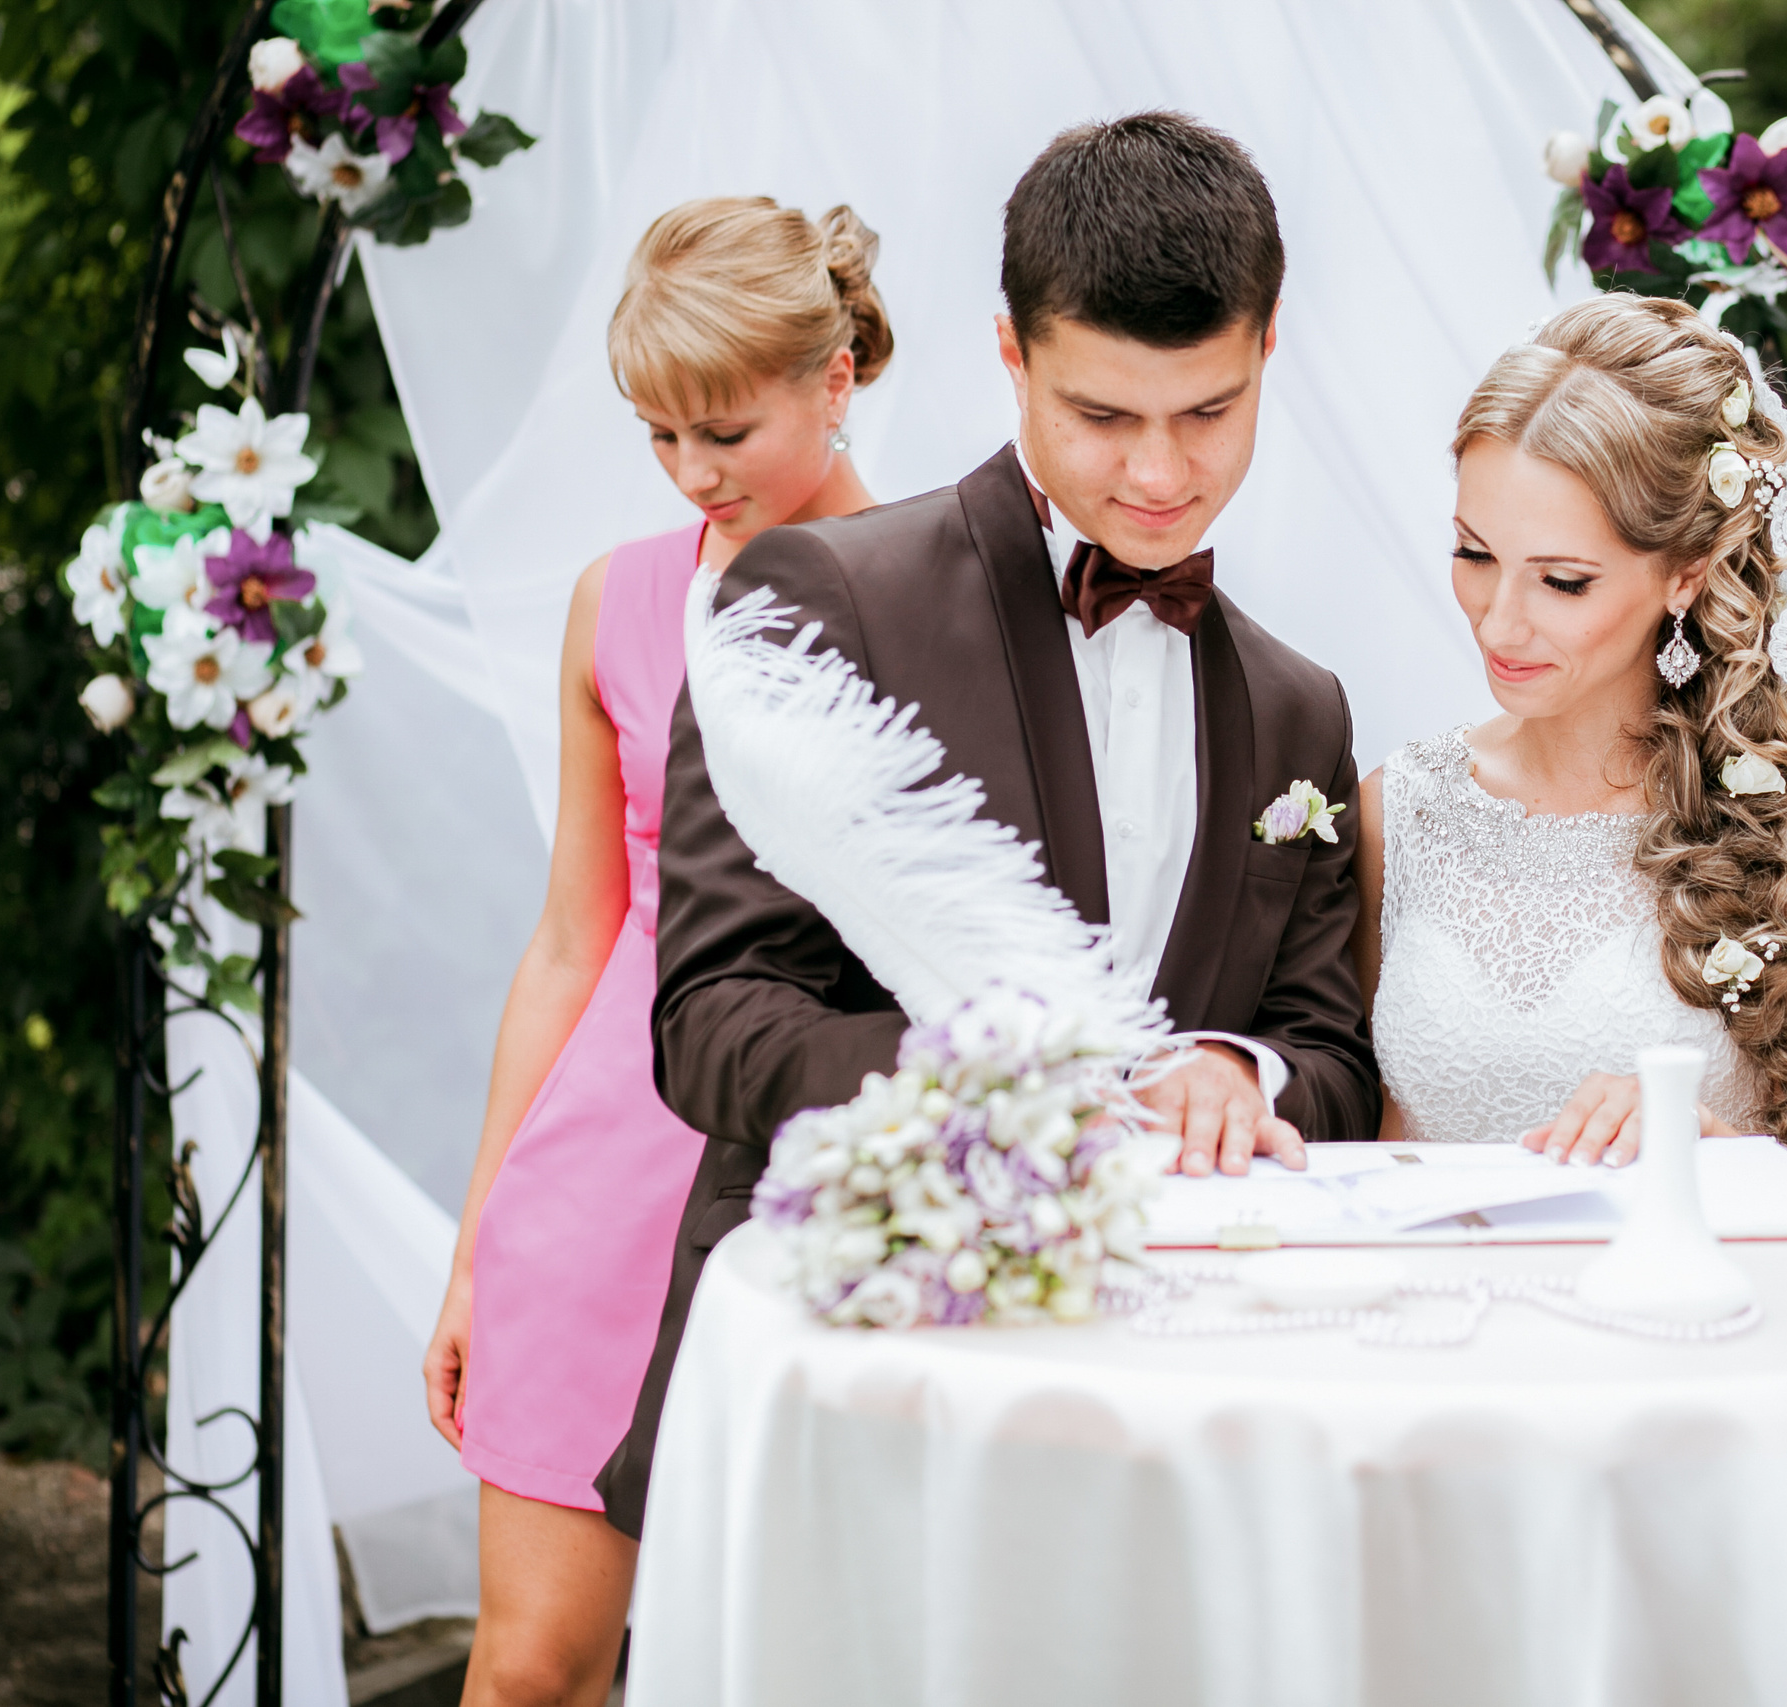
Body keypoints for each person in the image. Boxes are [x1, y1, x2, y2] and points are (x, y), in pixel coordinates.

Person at [594, 110, 1380, 1536]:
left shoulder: (1298, 711)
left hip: (1184, 1433)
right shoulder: (817, 598)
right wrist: (1010, 1082)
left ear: (1268, 353)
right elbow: (710, 1019)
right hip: (861, 1379)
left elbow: (1330, 1056)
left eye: (1206, 412)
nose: (1159, 472)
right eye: (1102, 416)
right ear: (1011, 356)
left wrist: (1236, 1070)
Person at [419, 195, 891, 1706]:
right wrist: (479, 1239)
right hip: (595, 1183)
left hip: (827, 1169)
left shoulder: (947, 596)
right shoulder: (614, 602)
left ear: (838, 376)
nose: (695, 475)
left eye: (727, 430)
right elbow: (571, 941)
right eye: (659, 436)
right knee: (531, 1672)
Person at [1357, 293, 1787, 1168]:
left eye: (1562, 581)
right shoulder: (1398, 811)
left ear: (1687, 573)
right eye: (1474, 554)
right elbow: (1368, 1139)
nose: (1498, 623)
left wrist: (1714, 1154)